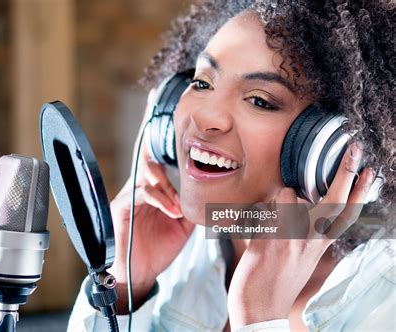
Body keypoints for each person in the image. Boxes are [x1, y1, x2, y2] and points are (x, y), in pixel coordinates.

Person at [68, 1, 395, 331]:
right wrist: (124, 290)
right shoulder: (179, 256)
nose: (204, 117)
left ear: (331, 148)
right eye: (202, 83)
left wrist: (259, 317)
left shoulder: (384, 303)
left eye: (259, 100)